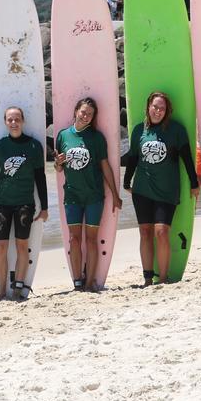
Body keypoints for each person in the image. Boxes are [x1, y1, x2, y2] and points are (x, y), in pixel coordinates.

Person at [0, 106, 48, 302]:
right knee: (1, 248)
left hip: (24, 204)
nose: (14, 123)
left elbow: (41, 179)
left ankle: (19, 290)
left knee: (22, 246)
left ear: (22, 121)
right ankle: (1, 293)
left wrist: (45, 207)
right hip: (2, 204)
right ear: (5, 122)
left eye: (17, 119)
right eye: (10, 120)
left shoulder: (34, 146)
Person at [122, 92, 198, 286]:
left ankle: (163, 278)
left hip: (167, 189)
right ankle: (148, 278)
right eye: (155, 107)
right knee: (145, 232)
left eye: (162, 108)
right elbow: (133, 157)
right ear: (148, 107)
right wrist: (126, 181)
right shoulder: (139, 130)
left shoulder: (176, 130)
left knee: (161, 231)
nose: (158, 111)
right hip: (142, 189)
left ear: (167, 111)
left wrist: (194, 183)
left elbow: (187, 158)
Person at [54, 98, 122, 291]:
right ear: (76, 111)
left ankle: (91, 281)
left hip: (94, 196)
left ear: (93, 118)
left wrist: (115, 195)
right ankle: (77, 281)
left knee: (91, 239)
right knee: (74, 239)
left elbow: (105, 166)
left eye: (89, 114)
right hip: (72, 196)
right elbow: (58, 169)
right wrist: (58, 163)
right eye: (83, 112)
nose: (85, 116)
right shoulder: (63, 136)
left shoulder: (96, 138)